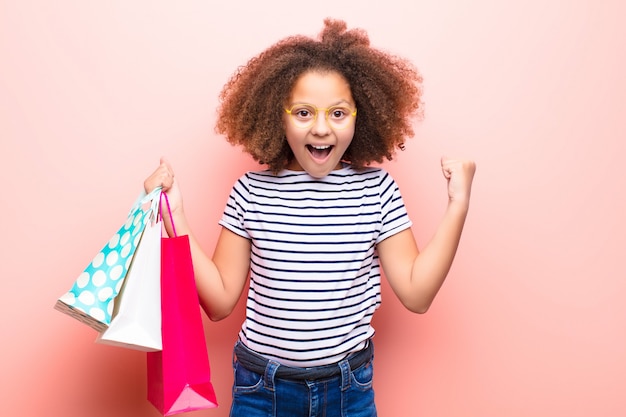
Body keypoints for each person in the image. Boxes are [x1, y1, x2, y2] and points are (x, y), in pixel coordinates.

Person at [144, 18, 476, 417]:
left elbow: (417, 295)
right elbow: (218, 302)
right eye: (303, 112)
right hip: (261, 389)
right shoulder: (251, 191)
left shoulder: (377, 191)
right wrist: (174, 214)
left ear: (360, 114)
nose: (321, 128)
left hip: (347, 390)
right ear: (277, 115)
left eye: (338, 113)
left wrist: (458, 204)